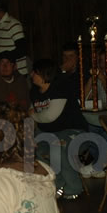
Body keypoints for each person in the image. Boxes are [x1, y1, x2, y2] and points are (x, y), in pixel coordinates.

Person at [30, 58, 87, 199]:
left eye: (35, 72)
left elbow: (49, 116)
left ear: (44, 74)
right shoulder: (34, 91)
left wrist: (33, 115)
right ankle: (57, 183)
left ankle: (74, 188)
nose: (31, 75)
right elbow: (32, 115)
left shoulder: (60, 88)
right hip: (47, 133)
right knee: (40, 151)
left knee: (60, 149)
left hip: (73, 131)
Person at [0, 0, 29, 75]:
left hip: (16, 73)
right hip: (3, 71)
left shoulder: (13, 24)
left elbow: (22, 49)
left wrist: (1, 56)